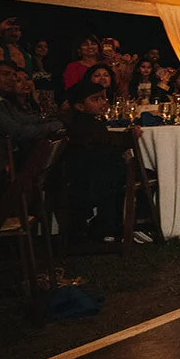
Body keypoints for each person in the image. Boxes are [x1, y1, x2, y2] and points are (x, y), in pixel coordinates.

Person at [64, 80, 141, 240]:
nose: (102, 103)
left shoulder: (93, 121)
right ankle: (107, 226)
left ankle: (116, 224)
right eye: (95, 99)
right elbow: (103, 141)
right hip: (93, 176)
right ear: (80, 106)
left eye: (103, 98)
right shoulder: (83, 124)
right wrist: (129, 137)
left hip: (100, 173)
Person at [0, 60, 64, 147]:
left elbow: (23, 119)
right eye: (5, 74)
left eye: (13, 75)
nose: (12, 79)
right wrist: (54, 126)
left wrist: (55, 121)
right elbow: (17, 132)